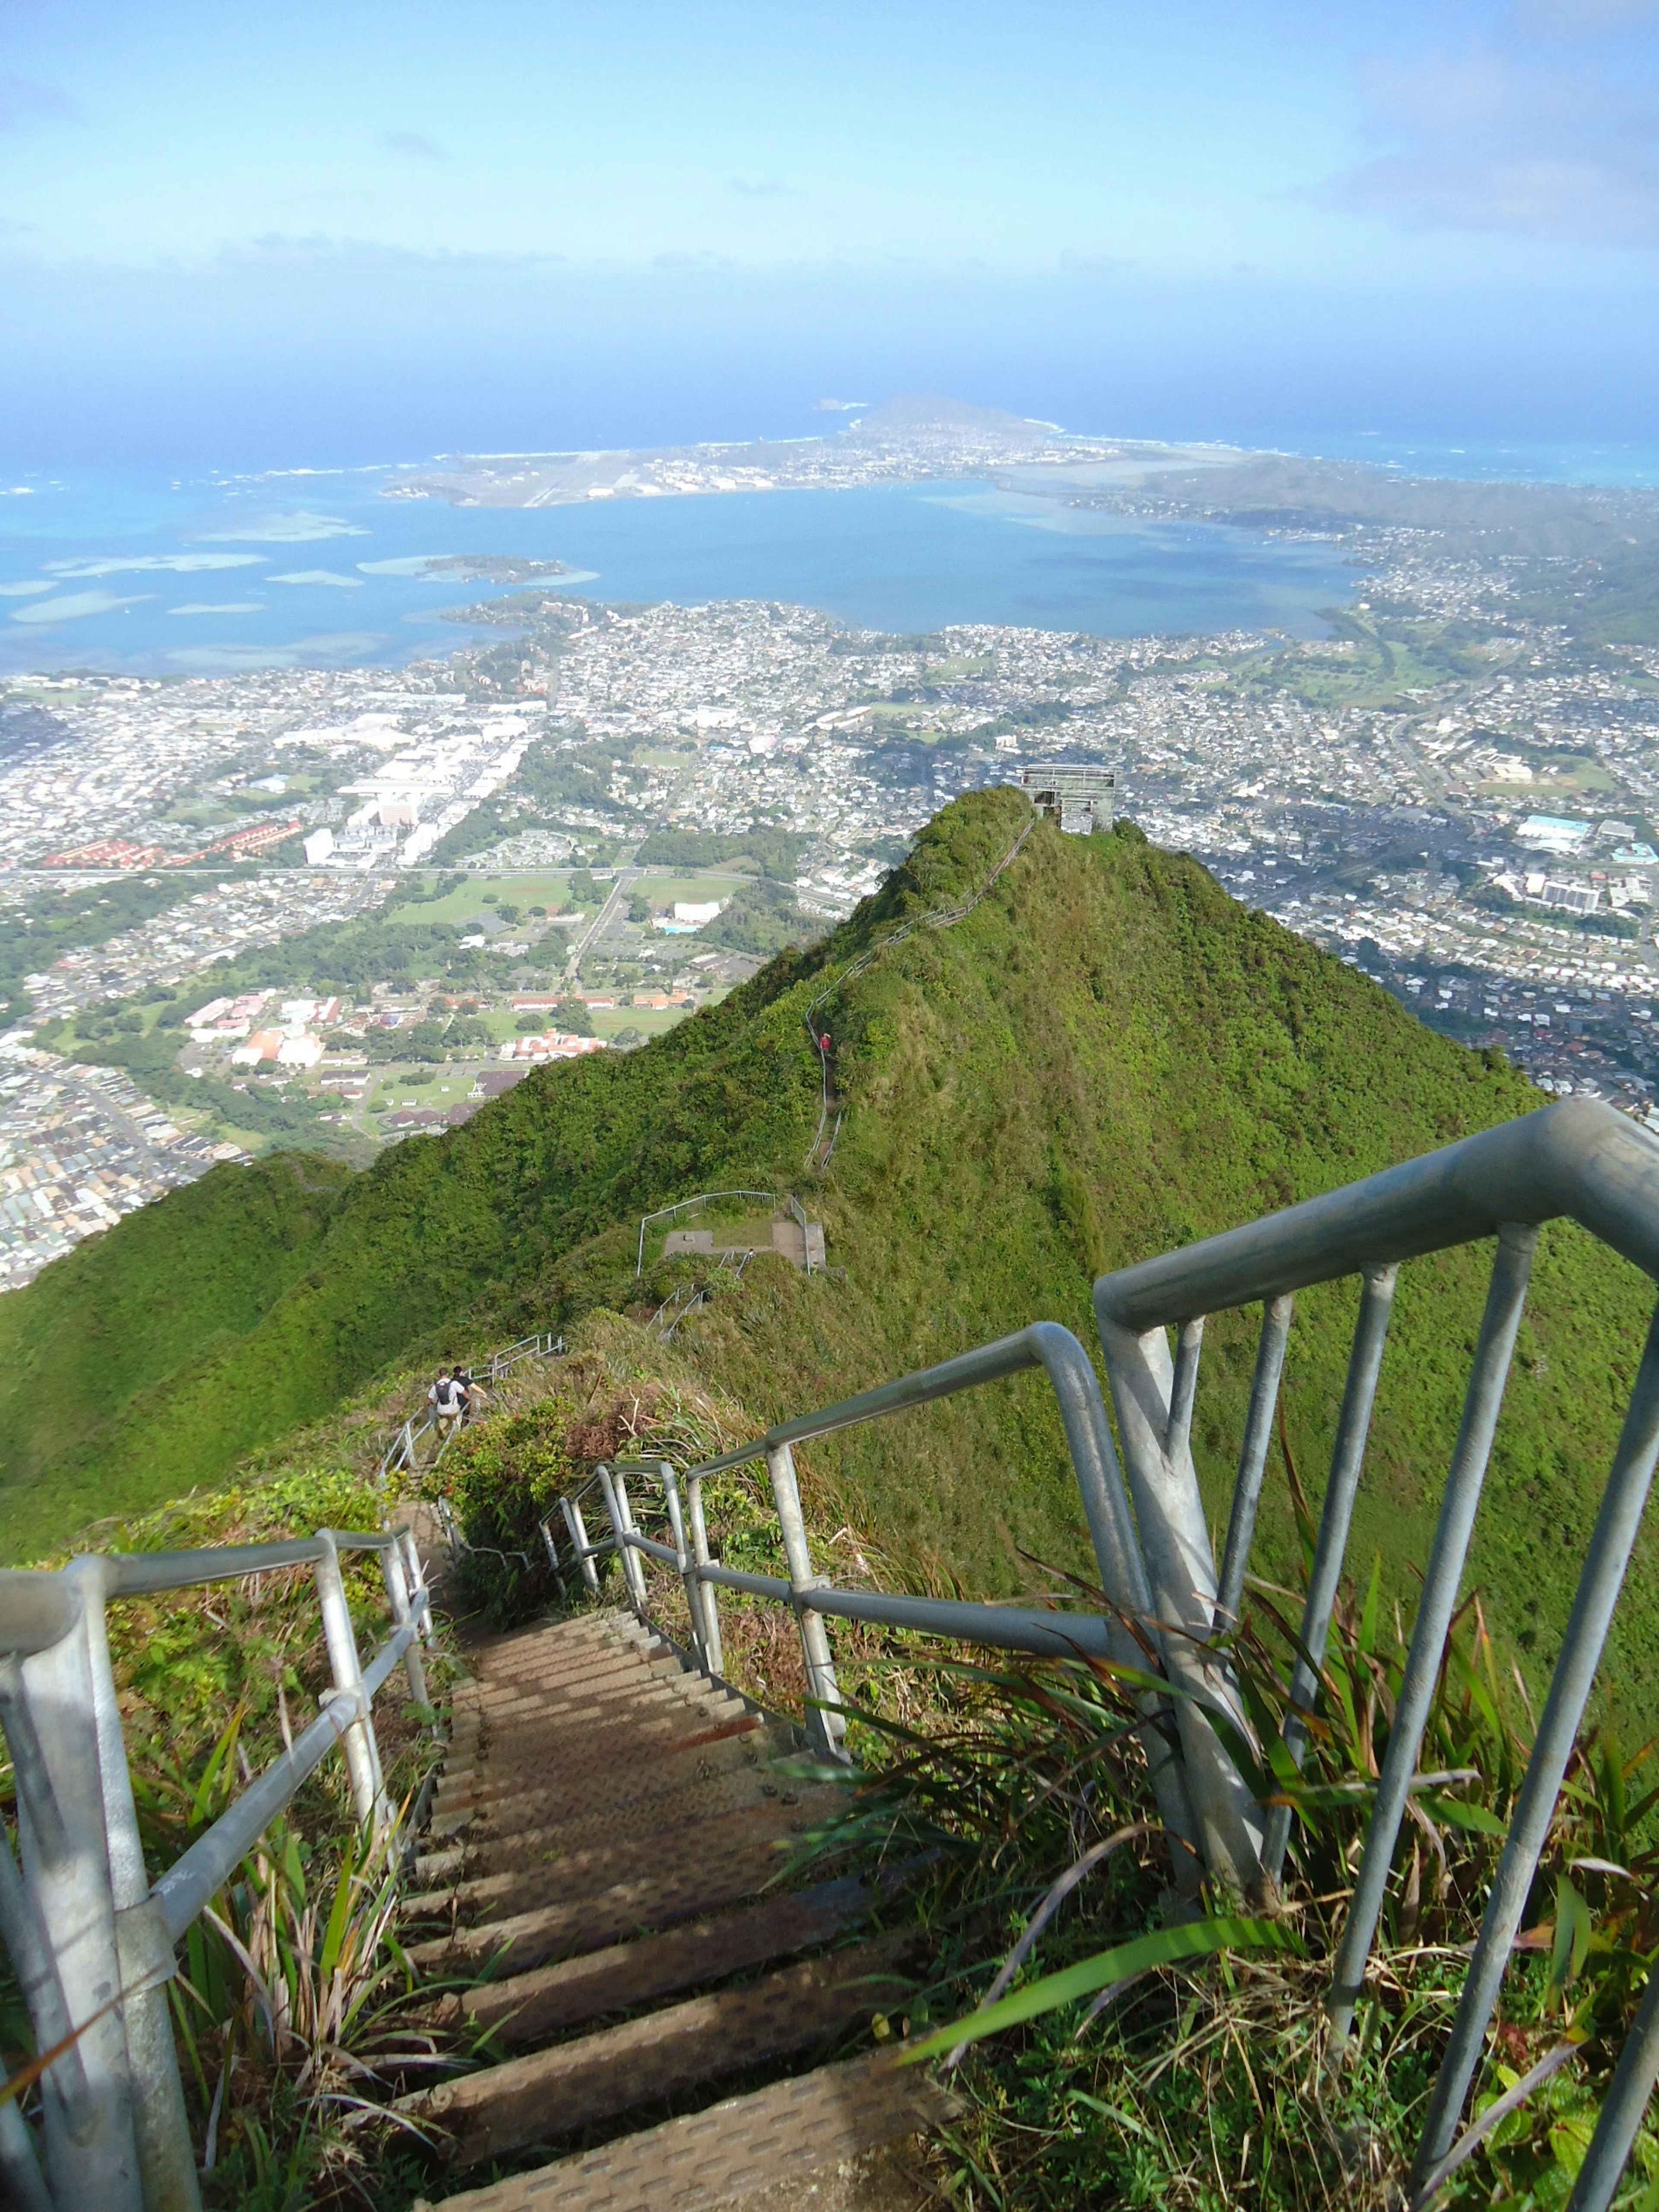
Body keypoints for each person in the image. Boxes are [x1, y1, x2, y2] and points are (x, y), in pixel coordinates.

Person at [429, 1368, 467, 1441]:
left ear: (439, 1375)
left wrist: (428, 1405)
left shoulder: (435, 1387)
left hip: (442, 1411)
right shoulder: (453, 1383)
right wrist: (470, 1400)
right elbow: (465, 1393)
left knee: (443, 1421)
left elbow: (429, 1400)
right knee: (458, 1416)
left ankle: (445, 1438)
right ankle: (456, 1435)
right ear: (448, 1375)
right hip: (453, 1410)